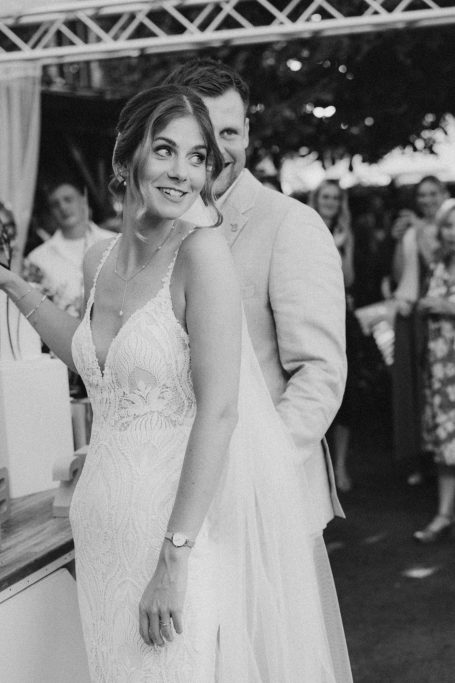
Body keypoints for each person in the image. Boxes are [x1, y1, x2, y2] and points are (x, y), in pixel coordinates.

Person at [0, 85, 352, 681]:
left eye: (197, 157)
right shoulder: (98, 259)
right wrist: (13, 284)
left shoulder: (201, 256)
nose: (182, 171)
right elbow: (93, 359)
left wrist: (175, 556)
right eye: (165, 150)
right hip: (101, 531)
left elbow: (220, 411)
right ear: (126, 156)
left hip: (176, 536)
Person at [165, 57, 346, 532]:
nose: (217, 149)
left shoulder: (291, 224)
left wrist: (257, 473)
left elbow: (319, 374)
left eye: (228, 132)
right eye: (202, 133)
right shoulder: (161, 229)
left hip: (266, 501)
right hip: (173, 494)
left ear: (246, 132)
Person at [392, 176, 449, 481]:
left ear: (444, 194)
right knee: (413, 387)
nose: (426, 200)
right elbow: (398, 273)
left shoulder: (449, 227)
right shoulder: (413, 229)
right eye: (422, 195)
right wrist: (401, 240)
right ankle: (421, 459)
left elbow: (436, 263)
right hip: (411, 311)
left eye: (432, 193)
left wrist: (419, 230)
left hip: (441, 317)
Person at [309, 180, 358, 492]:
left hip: (339, 315)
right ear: (317, 199)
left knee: (344, 392)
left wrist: (342, 247)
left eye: (336, 198)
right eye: (325, 197)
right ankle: (316, 467)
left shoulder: (345, 233)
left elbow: (349, 278)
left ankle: (339, 465)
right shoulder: (304, 226)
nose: (330, 202)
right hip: (311, 313)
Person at [414, 198, 455, 543]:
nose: (452, 232)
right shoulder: (439, 263)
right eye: (448, 225)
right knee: (445, 442)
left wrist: (445, 306)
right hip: (441, 367)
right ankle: (443, 514)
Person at [24, 180, 111, 318]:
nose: (63, 207)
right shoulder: (37, 258)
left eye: (68, 200)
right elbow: (36, 311)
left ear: (83, 200)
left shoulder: (114, 241)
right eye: (55, 204)